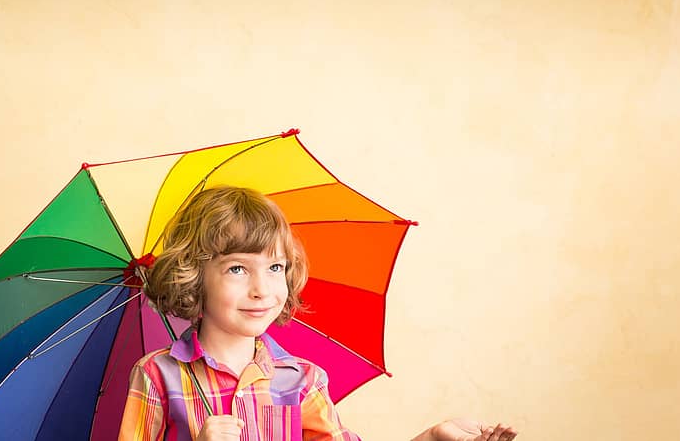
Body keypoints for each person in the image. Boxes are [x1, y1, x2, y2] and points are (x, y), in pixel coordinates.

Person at [118, 186, 518, 441]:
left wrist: (430, 439)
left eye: (275, 268)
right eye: (238, 269)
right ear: (193, 275)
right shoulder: (156, 375)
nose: (262, 289)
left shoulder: (302, 380)